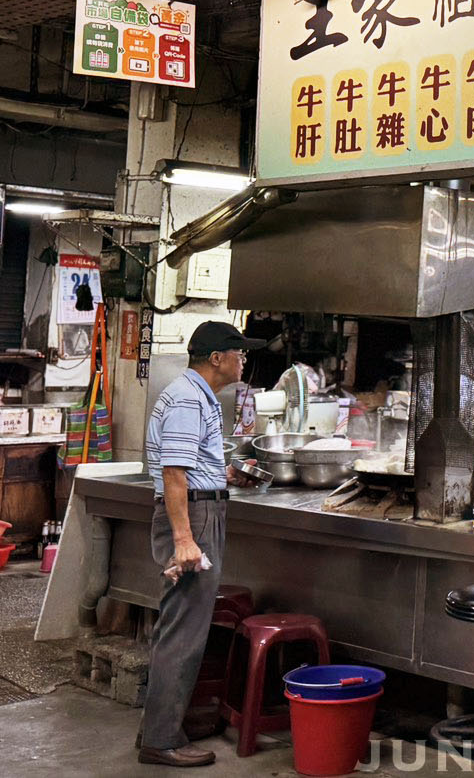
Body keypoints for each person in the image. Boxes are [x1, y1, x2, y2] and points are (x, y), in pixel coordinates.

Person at [139, 321, 265, 768]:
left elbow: (188, 467)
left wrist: (225, 474)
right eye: (238, 352)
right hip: (192, 517)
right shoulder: (189, 399)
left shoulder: (197, 396)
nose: (243, 359)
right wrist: (185, 540)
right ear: (216, 358)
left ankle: (159, 729)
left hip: (199, 507)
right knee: (184, 631)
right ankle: (162, 740)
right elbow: (174, 474)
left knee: (180, 627)